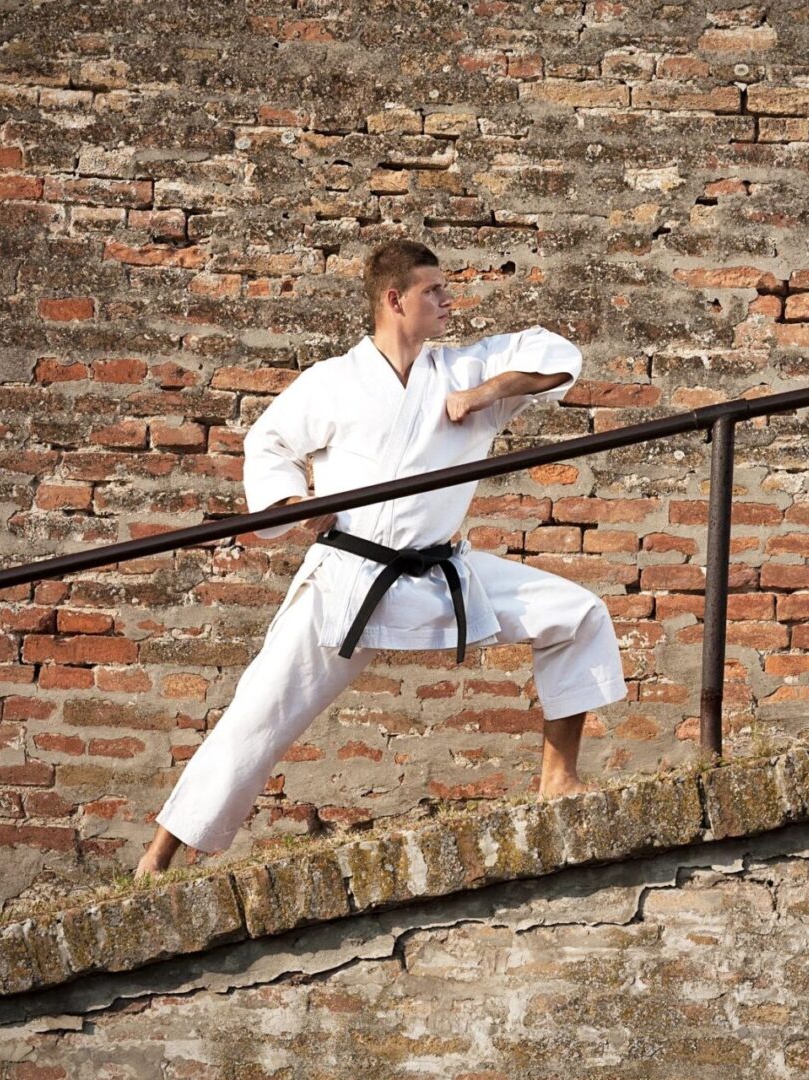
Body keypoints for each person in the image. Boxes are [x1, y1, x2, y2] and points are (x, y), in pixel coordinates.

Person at [135, 240, 627, 881]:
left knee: (577, 612)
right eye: (433, 292)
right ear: (395, 301)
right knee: (260, 709)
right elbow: (270, 441)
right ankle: (158, 858)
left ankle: (558, 783)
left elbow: (558, 359)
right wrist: (292, 503)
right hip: (350, 576)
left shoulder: (462, 370)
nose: (449, 301)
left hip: (441, 572)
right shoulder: (335, 382)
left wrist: (482, 395)